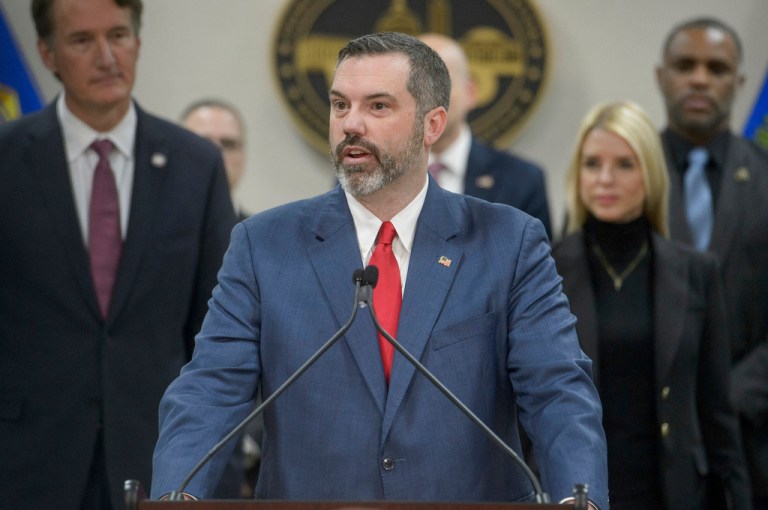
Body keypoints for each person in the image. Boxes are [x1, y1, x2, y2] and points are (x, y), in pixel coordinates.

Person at [151, 32, 608, 509]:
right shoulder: (263, 245)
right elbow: (210, 388)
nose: (351, 124)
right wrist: (175, 493)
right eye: (340, 105)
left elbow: (557, 391)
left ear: (432, 124)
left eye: (378, 106)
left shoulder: (509, 243)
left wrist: (581, 499)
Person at [0, 0, 236, 508]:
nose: (107, 56)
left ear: (138, 42)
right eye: (82, 40)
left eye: (118, 35)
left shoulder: (195, 165)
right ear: (47, 53)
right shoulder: (8, 158)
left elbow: (218, 335)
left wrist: (223, 469)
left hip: (160, 461)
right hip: (25, 464)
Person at [555, 100, 751, 509]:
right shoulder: (546, 268)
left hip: (672, 491)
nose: (605, 179)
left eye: (624, 165)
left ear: (651, 173)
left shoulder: (696, 271)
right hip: (576, 492)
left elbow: (716, 411)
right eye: (592, 164)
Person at [656, 17, 768, 508]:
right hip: (647, 440)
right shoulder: (620, 178)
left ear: (739, 82)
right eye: (686, 65)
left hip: (753, 438)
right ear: (662, 76)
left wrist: (730, 398)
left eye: (717, 69)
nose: (700, 79)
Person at [417, 33, 553, 239]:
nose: (427, 99)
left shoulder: (521, 180)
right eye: (416, 88)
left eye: (440, 86)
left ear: (470, 92)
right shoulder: (381, 176)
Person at [181, 99, 251, 221]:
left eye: (228, 144)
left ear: (243, 156)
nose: (217, 154)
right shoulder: (149, 224)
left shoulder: (259, 232)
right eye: (202, 143)